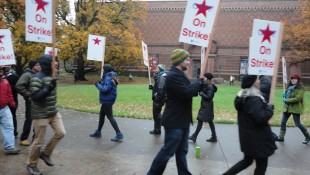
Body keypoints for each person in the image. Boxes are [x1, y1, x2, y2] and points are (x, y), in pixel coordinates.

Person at [147, 49, 202, 175]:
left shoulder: (180, 74)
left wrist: (200, 84)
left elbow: (189, 89)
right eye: (187, 59)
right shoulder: (172, 76)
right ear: (179, 60)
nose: (189, 61)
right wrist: (199, 82)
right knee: (167, 152)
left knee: (182, 152)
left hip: (183, 120)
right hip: (174, 121)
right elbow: (186, 93)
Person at [223, 75, 276, 175]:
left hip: (249, 138)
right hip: (257, 139)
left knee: (247, 161)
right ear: (253, 83)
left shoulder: (243, 97)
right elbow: (261, 118)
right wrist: (269, 108)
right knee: (261, 165)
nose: (259, 81)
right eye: (257, 79)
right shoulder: (254, 99)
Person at [27, 55, 66, 175]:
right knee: (38, 142)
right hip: (41, 114)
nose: (56, 64)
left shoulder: (51, 76)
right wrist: (48, 88)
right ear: (46, 65)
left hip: (53, 112)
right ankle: (31, 165)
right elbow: (35, 97)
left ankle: (45, 154)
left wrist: (51, 85)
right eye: (53, 62)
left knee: (61, 133)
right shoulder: (36, 78)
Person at [90, 64, 124, 142]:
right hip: (107, 99)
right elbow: (107, 87)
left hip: (107, 100)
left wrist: (97, 84)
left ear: (106, 70)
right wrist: (102, 82)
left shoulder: (108, 78)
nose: (102, 71)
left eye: (103, 69)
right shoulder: (110, 76)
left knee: (110, 116)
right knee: (102, 115)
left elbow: (105, 89)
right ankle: (98, 131)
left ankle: (119, 134)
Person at [275, 74, 310, 144]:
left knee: (297, 123)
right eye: (292, 79)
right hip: (287, 108)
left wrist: (286, 100)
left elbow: (297, 98)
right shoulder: (289, 87)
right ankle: (281, 137)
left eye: (294, 79)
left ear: (298, 80)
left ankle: (308, 136)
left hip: (295, 108)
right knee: (283, 122)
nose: (293, 80)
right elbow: (287, 96)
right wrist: (285, 94)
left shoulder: (300, 88)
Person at [16, 60, 41, 146]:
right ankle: (24, 138)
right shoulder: (27, 75)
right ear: (33, 66)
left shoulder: (38, 74)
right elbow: (19, 86)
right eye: (37, 65)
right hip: (31, 102)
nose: (39, 66)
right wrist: (28, 95)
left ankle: (36, 138)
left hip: (38, 101)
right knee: (29, 120)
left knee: (38, 120)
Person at [189, 72, 218, 142]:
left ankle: (194, 136)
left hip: (207, 106)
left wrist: (201, 94)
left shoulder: (210, 87)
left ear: (208, 79)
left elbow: (209, 97)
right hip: (206, 105)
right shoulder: (207, 85)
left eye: (205, 78)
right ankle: (214, 137)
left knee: (200, 120)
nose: (204, 79)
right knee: (210, 121)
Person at [0, 65, 20, 155]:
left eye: (2, 69)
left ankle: (9, 147)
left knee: (9, 127)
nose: (1, 71)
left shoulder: (5, 81)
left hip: (4, 107)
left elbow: (9, 94)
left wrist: (12, 104)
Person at [148, 64, 167, 135]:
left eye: (157, 68)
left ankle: (165, 124)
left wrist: (157, 99)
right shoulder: (160, 76)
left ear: (160, 69)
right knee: (156, 115)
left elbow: (161, 90)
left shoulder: (162, 77)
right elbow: (159, 88)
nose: (155, 70)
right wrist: (152, 88)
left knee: (157, 115)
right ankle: (157, 129)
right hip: (159, 98)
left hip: (158, 99)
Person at [4, 66, 20, 137]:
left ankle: (14, 132)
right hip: (2, 101)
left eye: (8, 65)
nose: (7, 66)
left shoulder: (15, 76)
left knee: (12, 116)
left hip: (12, 99)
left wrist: (8, 85)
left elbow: (18, 88)